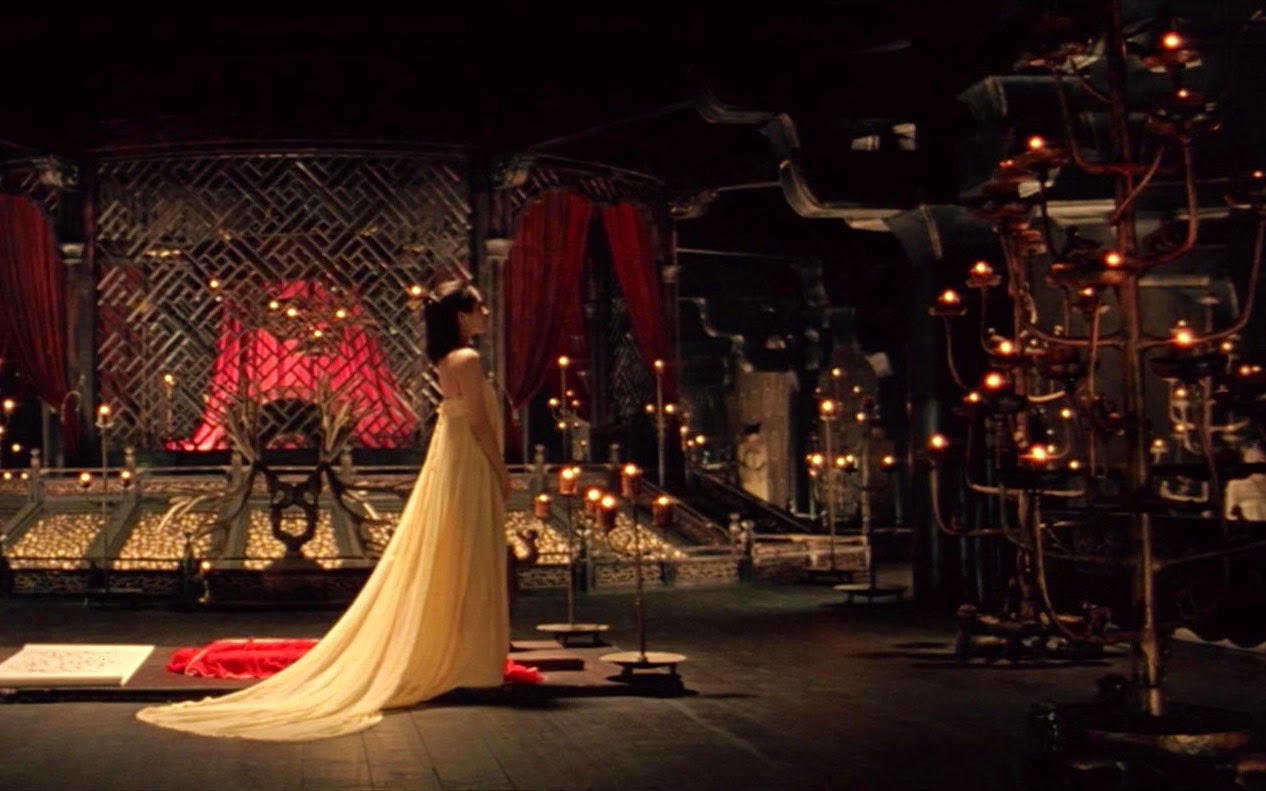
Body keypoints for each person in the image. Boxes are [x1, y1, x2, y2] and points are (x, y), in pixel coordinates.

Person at [136, 280, 513, 741]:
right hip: (470, 459)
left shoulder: (447, 360)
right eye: (479, 306)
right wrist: (501, 470)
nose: (487, 312)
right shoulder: (467, 360)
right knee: (470, 552)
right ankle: (468, 658)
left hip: (455, 459)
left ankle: (460, 655)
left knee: (458, 552)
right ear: (460, 315)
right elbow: (479, 423)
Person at [1226, 443, 1266, 521]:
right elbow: (1230, 514)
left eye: (1263, 459)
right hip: (1249, 524)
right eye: (1256, 461)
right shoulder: (1236, 484)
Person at [736, 422, 769, 501]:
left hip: (759, 478)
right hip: (748, 478)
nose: (753, 437)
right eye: (751, 436)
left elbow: (765, 462)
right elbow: (740, 462)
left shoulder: (762, 446)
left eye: (754, 435)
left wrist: (761, 473)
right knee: (748, 498)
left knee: (761, 498)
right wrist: (747, 473)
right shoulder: (742, 446)